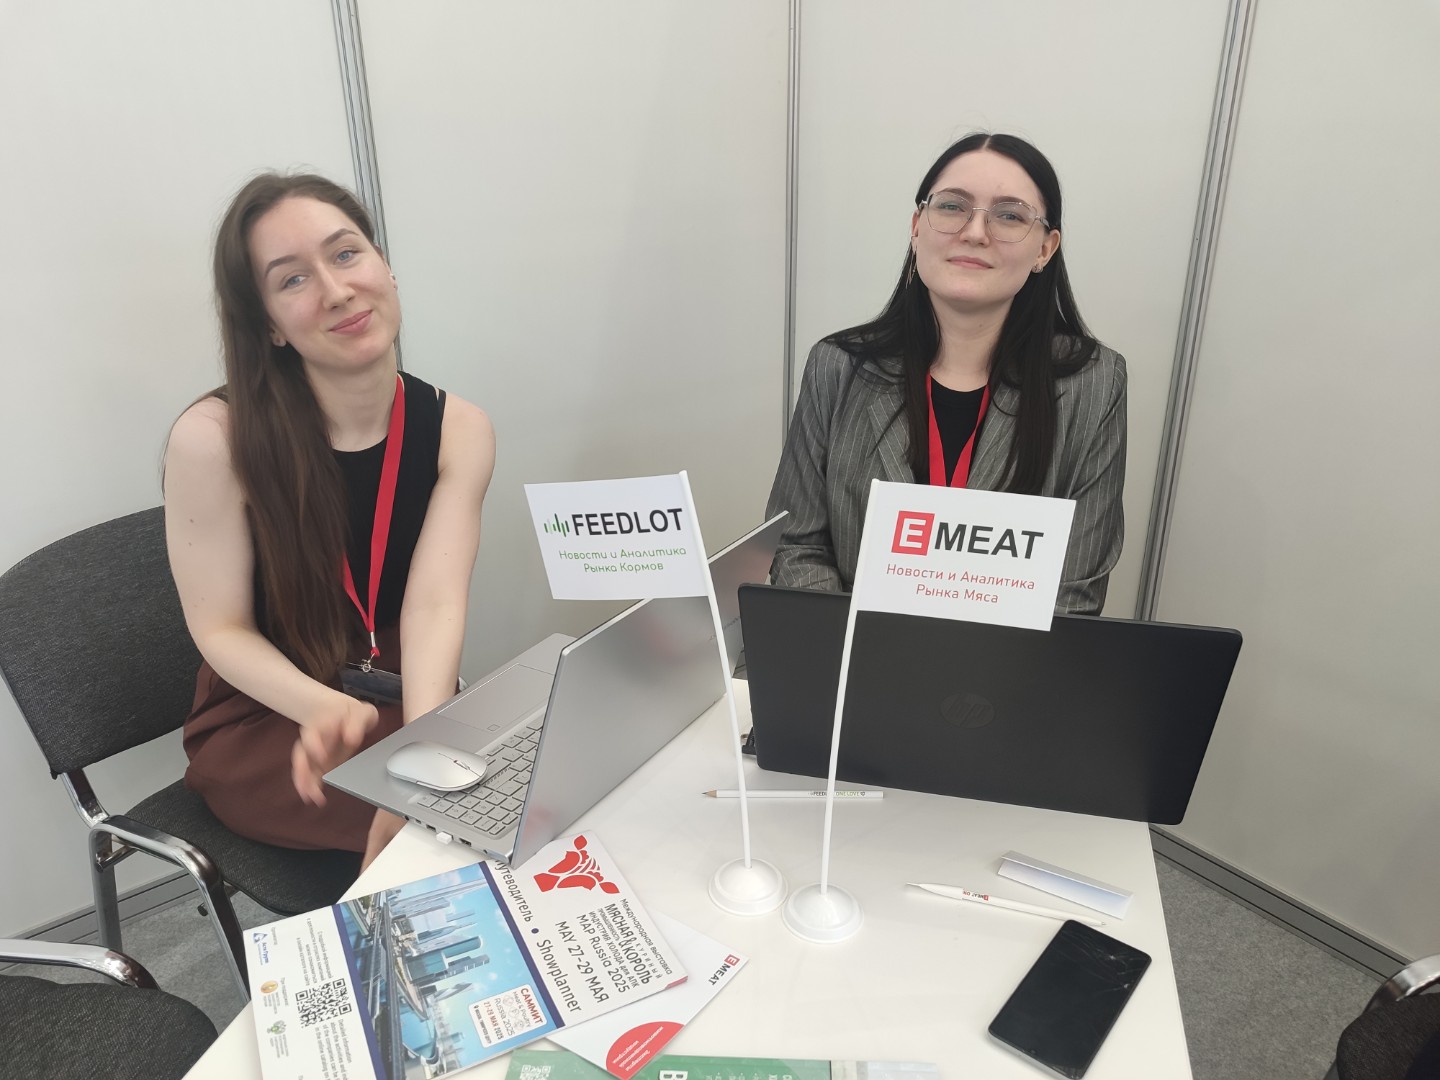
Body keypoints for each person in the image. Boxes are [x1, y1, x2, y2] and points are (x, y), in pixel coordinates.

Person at [164, 173, 495, 869]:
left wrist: (423, 744)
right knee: (453, 831)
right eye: (292, 280)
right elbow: (220, 628)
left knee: (492, 790)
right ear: (269, 326)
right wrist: (321, 707)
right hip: (271, 716)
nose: (337, 290)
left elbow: (433, 605)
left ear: (385, 267)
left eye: (346, 254)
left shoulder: (459, 429)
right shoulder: (214, 438)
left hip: (395, 691)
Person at [766, 132, 1126, 614]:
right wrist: (852, 649)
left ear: (1045, 248)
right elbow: (797, 546)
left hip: (1008, 663)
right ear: (917, 227)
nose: (975, 232)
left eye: (1010, 215)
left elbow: (1074, 592)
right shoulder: (838, 365)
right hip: (848, 655)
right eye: (953, 206)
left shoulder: (1094, 383)